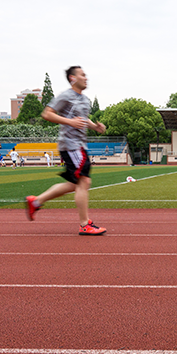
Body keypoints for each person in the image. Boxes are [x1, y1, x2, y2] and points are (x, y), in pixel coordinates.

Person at [25, 66, 107, 235]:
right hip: (71, 145)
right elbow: (47, 114)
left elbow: (83, 119)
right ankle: (85, 224)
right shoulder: (66, 96)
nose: (86, 77)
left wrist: (95, 127)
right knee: (83, 182)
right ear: (72, 78)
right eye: (82, 75)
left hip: (79, 145)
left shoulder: (84, 100)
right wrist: (69, 122)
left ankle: (36, 202)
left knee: (75, 184)